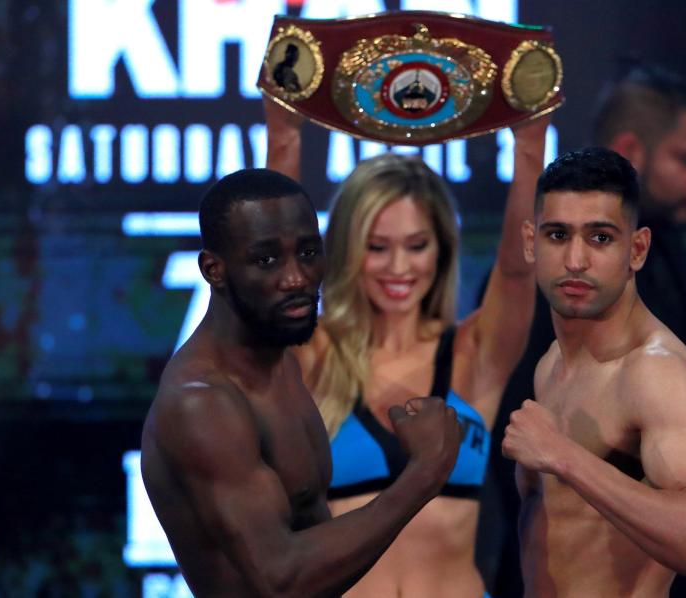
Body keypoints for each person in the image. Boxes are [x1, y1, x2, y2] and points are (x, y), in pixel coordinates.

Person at [480, 64, 686, 597]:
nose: (576, 259)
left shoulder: (658, 375)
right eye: (559, 236)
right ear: (534, 242)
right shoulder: (550, 364)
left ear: (636, 250)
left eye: (600, 238)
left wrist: (564, 457)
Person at [264, 98, 548, 597]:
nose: (399, 267)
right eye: (378, 247)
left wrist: (530, 145)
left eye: (417, 246)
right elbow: (275, 260)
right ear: (348, 250)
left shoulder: (473, 354)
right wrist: (284, 137)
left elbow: (520, 267)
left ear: (441, 250)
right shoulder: (313, 354)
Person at [139, 168, 464, 597]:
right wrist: (422, 475)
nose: (296, 278)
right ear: (214, 270)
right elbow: (280, 579)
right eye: (267, 260)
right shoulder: (202, 404)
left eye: (309, 253)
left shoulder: (279, 359)